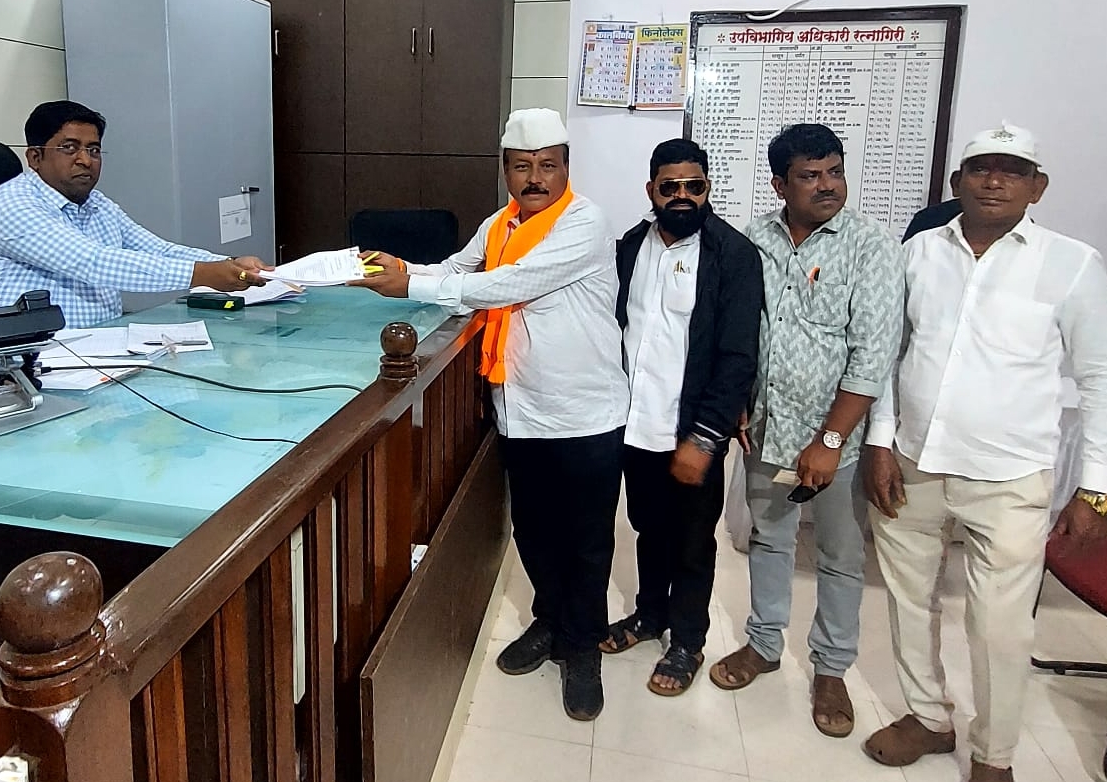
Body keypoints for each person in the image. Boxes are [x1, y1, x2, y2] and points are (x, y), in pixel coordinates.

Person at [861, 123, 1107, 782]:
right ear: (958, 182)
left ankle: (994, 754)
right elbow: (888, 354)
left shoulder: (1072, 263)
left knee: (1000, 627)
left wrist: (1096, 489)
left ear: (1038, 186)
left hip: (1010, 476)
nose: (995, 180)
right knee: (908, 601)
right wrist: (879, 441)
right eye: (981, 168)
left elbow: (1102, 381)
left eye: (1013, 170)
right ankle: (928, 716)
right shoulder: (918, 253)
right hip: (914, 464)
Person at [350, 108, 628, 721]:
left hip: (583, 413)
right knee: (533, 529)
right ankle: (550, 622)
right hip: (519, 407)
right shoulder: (499, 224)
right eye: (522, 167)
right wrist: (398, 271)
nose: (535, 178)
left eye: (548, 166)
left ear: (566, 168)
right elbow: (457, 270)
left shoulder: (584, 223)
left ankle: (582, 648)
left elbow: (511, 284)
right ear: (506, 170)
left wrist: (411, 286)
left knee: (584, 541)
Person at [707, 124, 905, 739]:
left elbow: (873, 355)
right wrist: (738, 402)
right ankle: (764, 644)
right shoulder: (755, 238)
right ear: (780, 184)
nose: (827, 186)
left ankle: (831, 668)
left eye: (835, 172)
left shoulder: (871, 246)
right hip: (766, 429)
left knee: (840, 556)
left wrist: (830, 441)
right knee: (769, 539)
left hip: (836, 439)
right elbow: (741, 326)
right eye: (810, 175)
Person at [600, 138, 762, 695]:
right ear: (652, 190)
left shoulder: (732, 255)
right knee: (648, 528)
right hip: (635, 424)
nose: (683, 196)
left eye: (695, 186)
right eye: (670, 187)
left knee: (693, 541)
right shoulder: (629, 247)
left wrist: (706, 438)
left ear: (708, 188)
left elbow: (738, 357)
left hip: (693, 428)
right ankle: (650, 616)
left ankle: (688, 640)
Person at [0, 100, 270, 327]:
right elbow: (93, 263)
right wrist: (204, 275)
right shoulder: (12, 205)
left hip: (97, 348)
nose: (85, 160)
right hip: (26, 361)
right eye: (70, 148)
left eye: (93, 150)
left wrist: (226, 263)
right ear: (35, 157)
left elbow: (157, 249)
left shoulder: (96, 203)